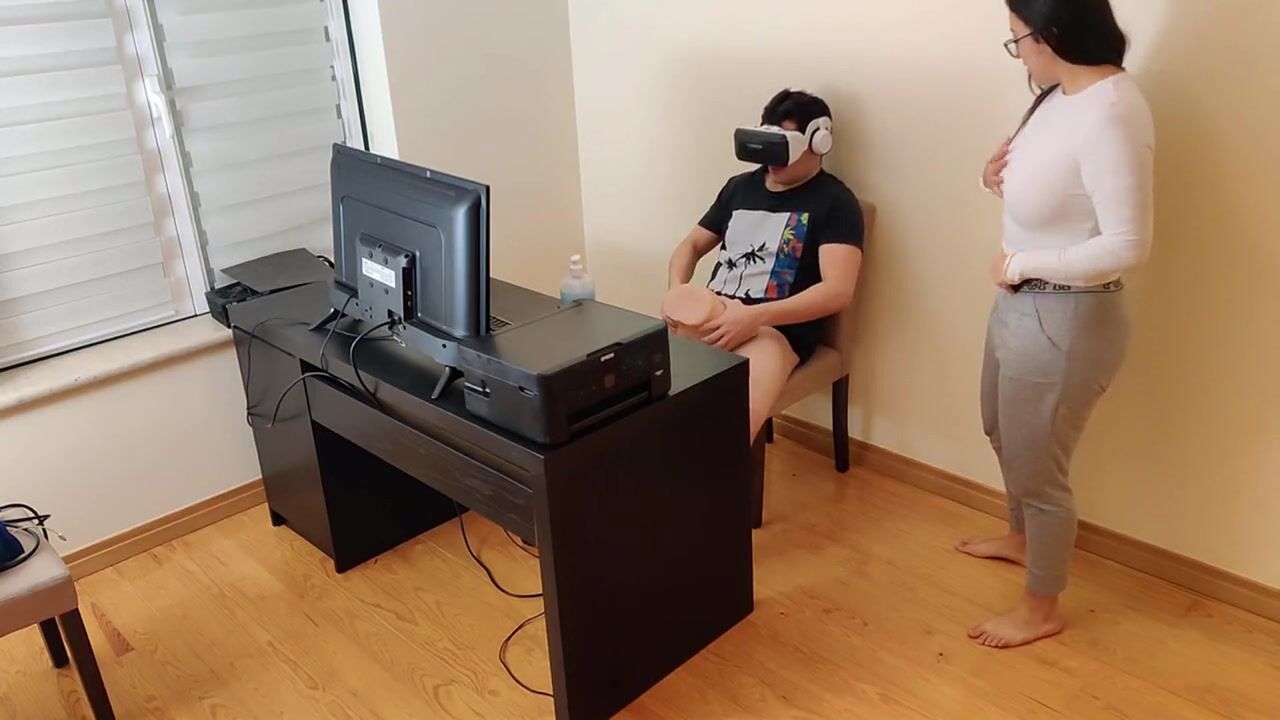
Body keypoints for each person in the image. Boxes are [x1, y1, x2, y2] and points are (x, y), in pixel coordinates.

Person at [959, 0, 1155, 648]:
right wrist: (992, 180)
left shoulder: (1111, 112)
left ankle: (1041, 607)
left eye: (1017, 40)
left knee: (1039, 470)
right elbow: (1054, 194)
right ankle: (1022, 540)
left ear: (1051, 35)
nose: (1017, 53)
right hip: (1020, 303)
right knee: (1000, 430)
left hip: (1067, 318)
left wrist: (1020, 263)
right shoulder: (1056, 96)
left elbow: (1127, 244)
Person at [666, 89, 865, 443]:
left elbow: (838, 292)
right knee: (645, 402)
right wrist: (677, 292)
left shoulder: (835, 202)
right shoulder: (739, 188)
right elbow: (691, 245)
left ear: (818, 142)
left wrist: (755, 317)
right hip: (714, 313)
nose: (773, 159)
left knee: (723, 430)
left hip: (775, 331)